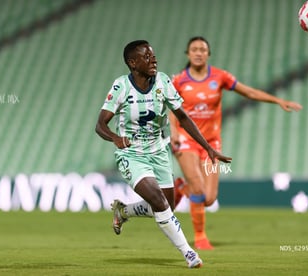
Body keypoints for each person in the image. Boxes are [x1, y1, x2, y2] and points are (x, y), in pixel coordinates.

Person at [95, 40, 232, 268]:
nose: (154, 60)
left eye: (154, 55)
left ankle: (123, 211)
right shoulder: (121, 87)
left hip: (159, 152)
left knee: (166, 206)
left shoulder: (163, 81)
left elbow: (184, 118)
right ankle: (189, 253)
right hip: (132, 155)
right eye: (147, 57)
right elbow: (100, 125)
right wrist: (116, 138)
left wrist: (208, 148)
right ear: (132, 63)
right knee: (159, 201)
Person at [169, 36, 303, 250]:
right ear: (188, 53)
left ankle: (181, 189)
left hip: (211, 143)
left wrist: (278, 101)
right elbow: (171, 107)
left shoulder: (219, 76)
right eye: (194, 49)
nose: (198, 52)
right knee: (198, 187)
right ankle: (200, 237)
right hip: (186, 140)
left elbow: (249, 92)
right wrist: (174, 131)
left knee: (209, 198)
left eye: (203, 49)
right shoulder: (178, 80)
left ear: (208, 54)